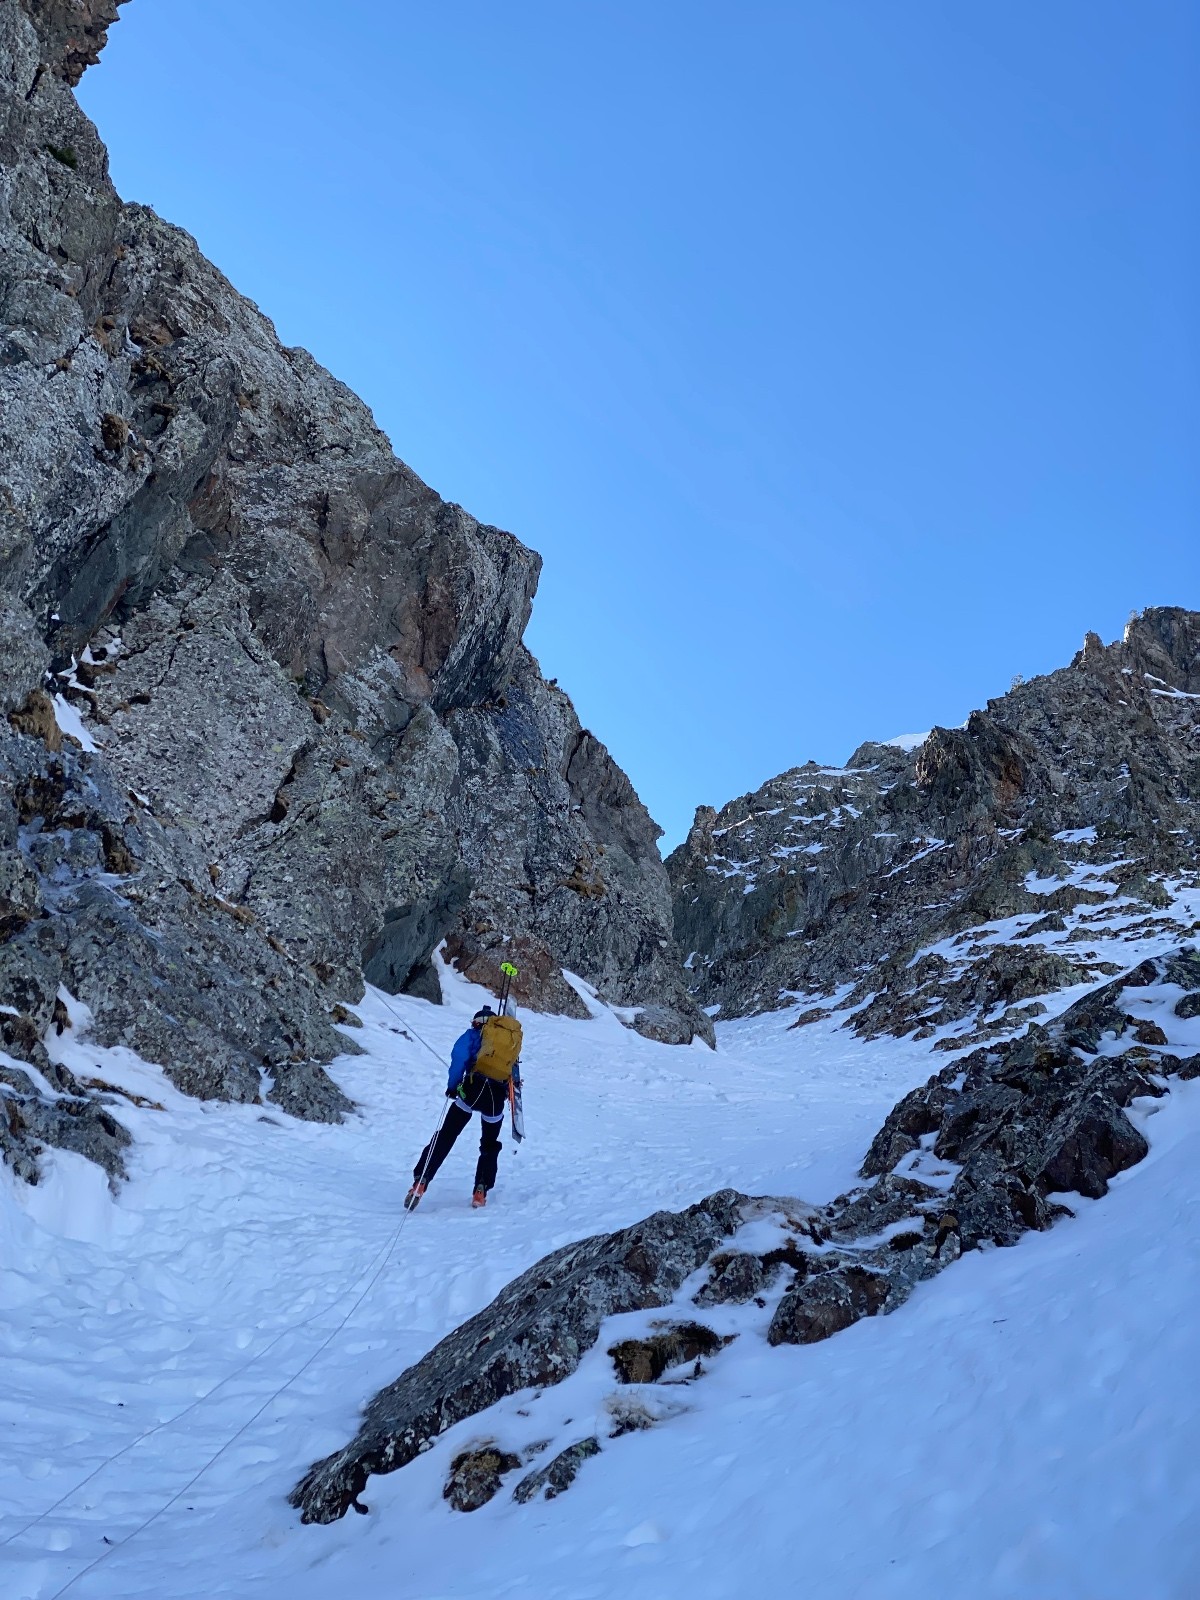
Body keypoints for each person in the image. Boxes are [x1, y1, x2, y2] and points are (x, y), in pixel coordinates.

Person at [405, 1006, 521, 1210]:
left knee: (446, 1135)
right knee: (489, 1144)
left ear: (477, 1022)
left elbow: (459, 1058)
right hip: (495, 1098)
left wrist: (452, 1087)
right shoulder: (506, 1042)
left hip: (471, 1092)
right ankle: (481, 1190)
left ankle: (421, 1182)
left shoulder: (473, 1035)